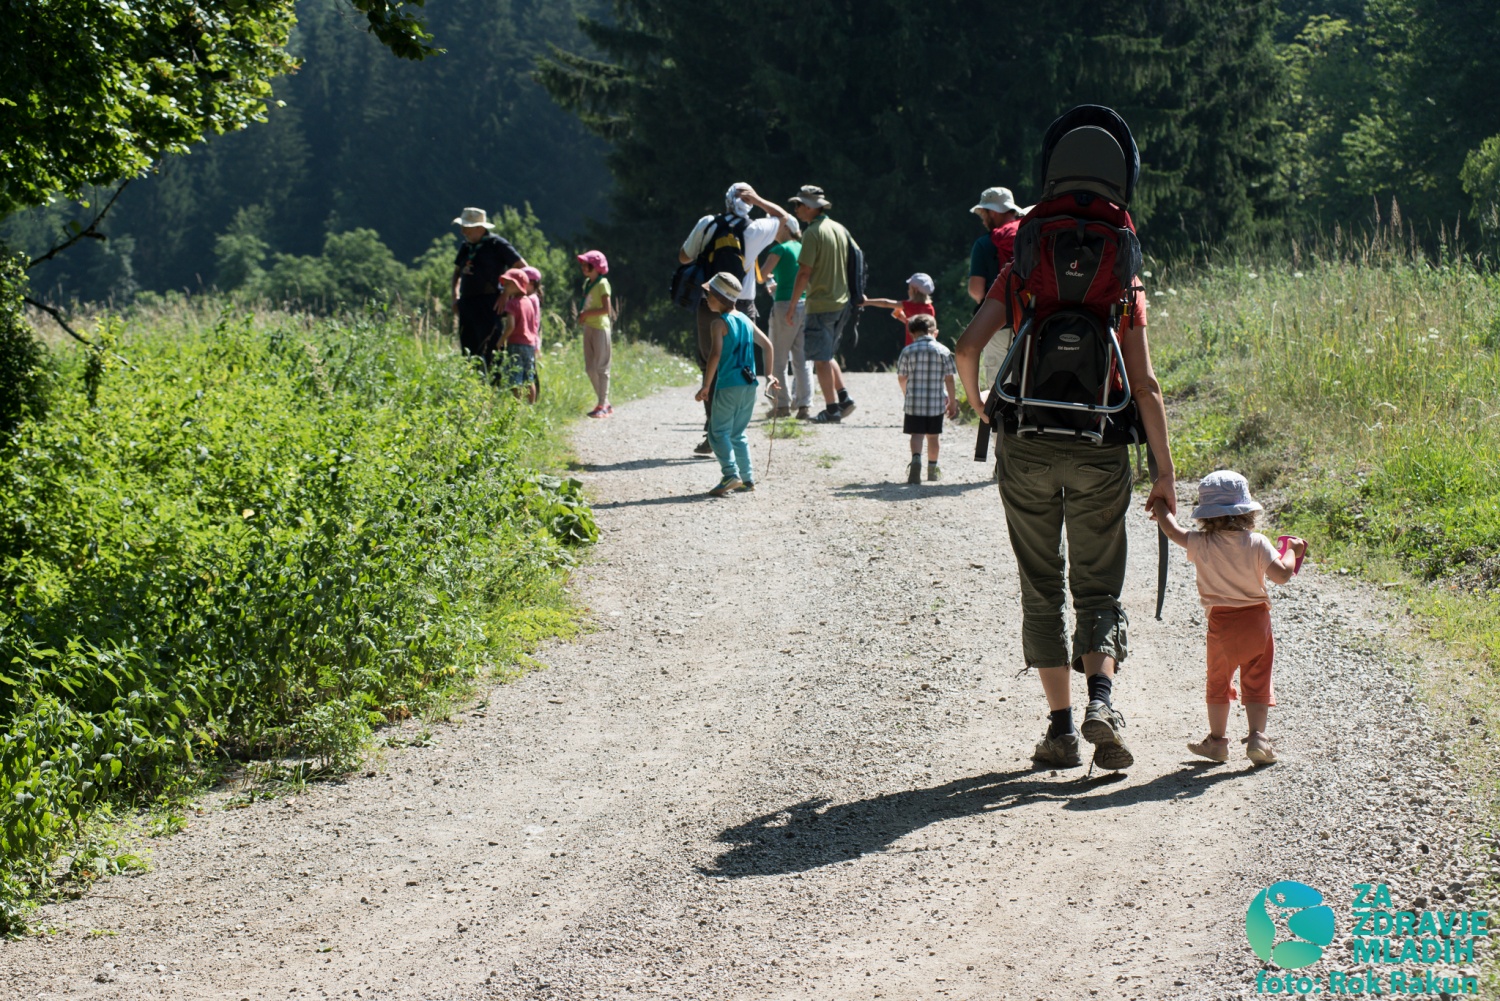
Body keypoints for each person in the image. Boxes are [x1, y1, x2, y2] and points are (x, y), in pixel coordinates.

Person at [954, 268, 1175, 773]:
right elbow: (1143, 384)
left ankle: (1062, 729)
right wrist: (1165, 472)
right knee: (1098, 587)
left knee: (1040, 585)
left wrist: (982, 408)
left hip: (1027, 440)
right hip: (1101, 441)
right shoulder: (1122, 276)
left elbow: (967, 348)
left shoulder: (1024, 268)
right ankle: (1102, 699)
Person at [1152, 472, 1304, 766]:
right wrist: (1292, 551)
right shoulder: (1257, 542)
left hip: (1221, 625)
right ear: (1246, 511)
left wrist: (1159, 503)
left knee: (1218, 683)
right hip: (1257, 623)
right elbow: (1283, 575)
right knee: (1257, 680)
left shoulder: (1200, 542)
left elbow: (1171, 530)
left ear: (1206, 515)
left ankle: (1217, 742)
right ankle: (1258, 737)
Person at [680, 184, 793, 452]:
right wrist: (760, 199)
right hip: (742, 304)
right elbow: (785, 219)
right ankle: (735, 431)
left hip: (710, 302)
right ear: (749, 204)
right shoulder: (755, 230)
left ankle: (713, 431)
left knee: (711, 363)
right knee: (742, 365)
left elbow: (683, 257)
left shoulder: (708, 223)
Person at [695, 272, 779, 496]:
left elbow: (714, 356)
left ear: (720, 297)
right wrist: (769, 375)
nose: (706, 298)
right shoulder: (744, 319)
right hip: (749, 385)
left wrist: (705, 386)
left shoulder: (719, 323)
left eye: (709, 294)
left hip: (728, 385)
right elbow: (768, 345)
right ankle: (748, 478)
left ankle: (730, 474)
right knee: (738, 433)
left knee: (716, 433)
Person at [784, 185, 858, 424]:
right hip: (842, 302)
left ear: (809, 207)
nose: (795, 210)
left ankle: (832, 409)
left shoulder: (812, 233)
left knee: (820, 359)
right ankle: (844, 398)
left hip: (821, 303)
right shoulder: (839, 228)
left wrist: (793, 304)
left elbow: (804, 272)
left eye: (798, 205)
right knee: (827, 353)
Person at [451, 207, 526, 373]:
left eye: (467, 228)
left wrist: (506, 292)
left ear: (480, 228)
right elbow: (457, 274)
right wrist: (455, 297)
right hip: (467, 303)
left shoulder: (497, 245)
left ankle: (494, 387)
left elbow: (523, 269)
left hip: (490, 303)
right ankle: (473, 388)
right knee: (468, 349)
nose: (463, 232)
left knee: (491, 347)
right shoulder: (465, 247)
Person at [966, 187, 1025, 388]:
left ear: (993, 212)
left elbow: (976, 290)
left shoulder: (984, 244)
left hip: (996, 324)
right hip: (1030, 322)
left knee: (998, 386)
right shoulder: (1031, 235)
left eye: (983, 213)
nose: (982, 218)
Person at [759, 219, 812, 419]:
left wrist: (770, 279)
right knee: (801, 359)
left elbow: (761, 275)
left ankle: (781, 405)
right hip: (804, 304)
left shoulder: (780, 249)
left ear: (786, 228)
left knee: (777, 358)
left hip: (783, 305)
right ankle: (804, 405)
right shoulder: (802, 247)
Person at [896, 315, 958, 483]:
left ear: (912, 333)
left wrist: (906, 393)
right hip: (936, 404)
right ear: (934, 332)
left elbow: (902, 377)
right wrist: (952, 402)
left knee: (916, 434)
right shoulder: (943, 351)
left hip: (914, 403)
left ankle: (916, 460)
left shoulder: (907, 351)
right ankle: (932, 469)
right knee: (933, 437)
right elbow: (950, 379)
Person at [576, 250, 613, 418]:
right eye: (583, 264)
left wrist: (586, 315)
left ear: (597, 267)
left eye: (587, 264)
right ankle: (604, 402)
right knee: (590, 368)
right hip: (588, 327)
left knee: (601, 367)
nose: (584, 267)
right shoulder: (587, 283)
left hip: (600, 328)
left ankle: (602, 404)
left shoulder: (603, 283)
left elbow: (607, 310)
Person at [497, 268, 539, 403]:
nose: (505, 287)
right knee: (529, 377)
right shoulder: (529, 302)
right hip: (530, 345)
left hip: (515, 344)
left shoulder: (512, 304)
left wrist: (501, 340)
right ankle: (531, 407)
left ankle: (516, 409)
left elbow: (510, 326)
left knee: (515, 377)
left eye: (508, 284)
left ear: (517, 285)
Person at [864, 272, 936, 348]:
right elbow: (923, 327)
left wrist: (866, 302)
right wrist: (906, 320)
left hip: (911, 347)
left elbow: (886, 303)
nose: (908, 291)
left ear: (915, 291)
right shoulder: (930, 309)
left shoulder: (908, 305)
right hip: (927, 346)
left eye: (909, 288)